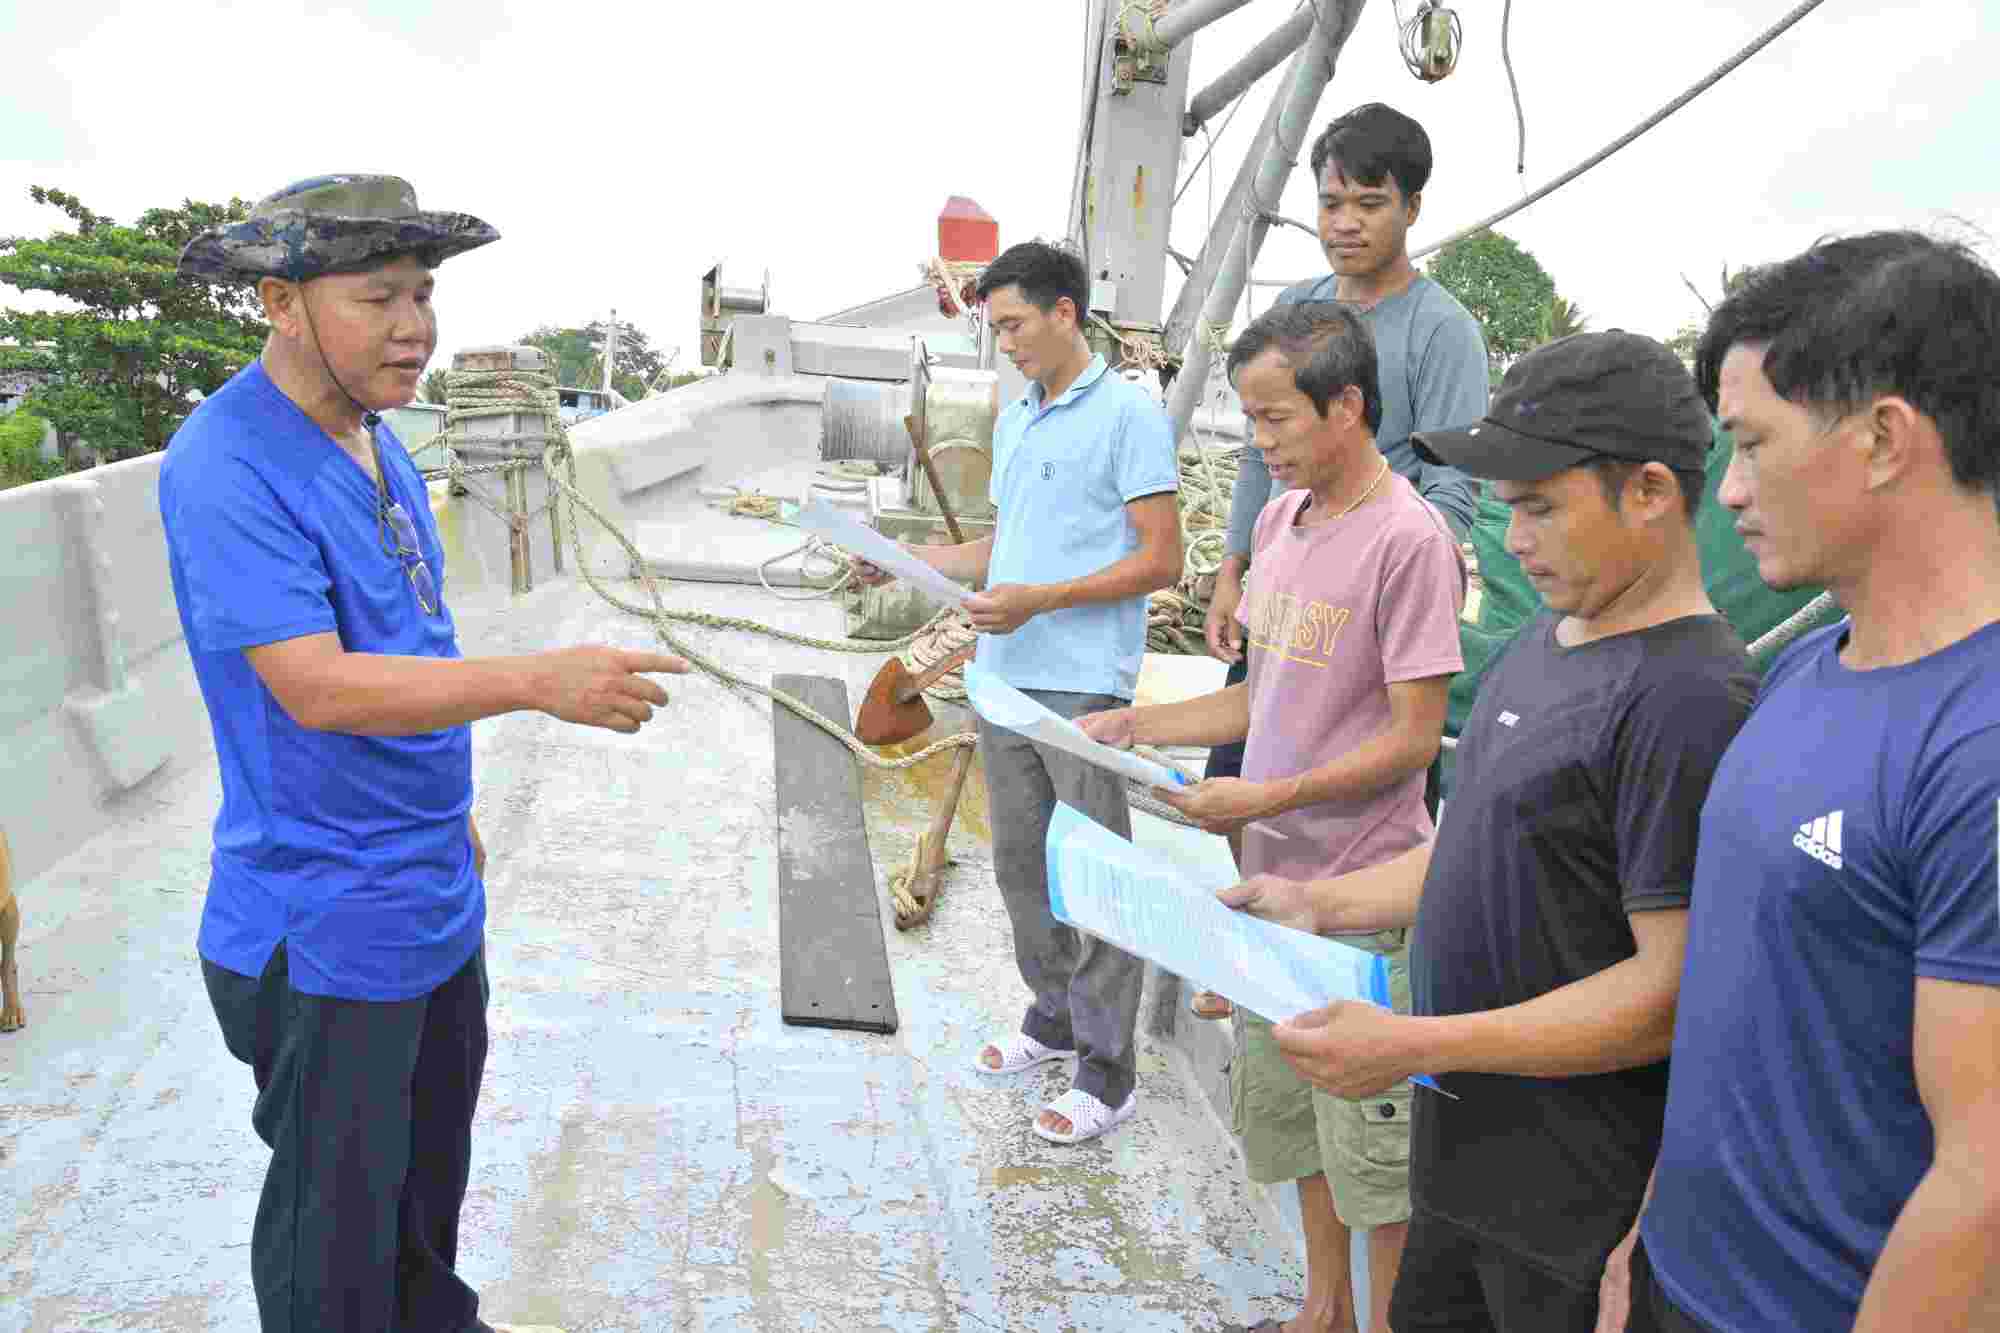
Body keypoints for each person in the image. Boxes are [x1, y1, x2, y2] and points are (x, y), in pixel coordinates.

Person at [164, 174, 686, 1333]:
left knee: (422, 1181)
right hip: (325, 918)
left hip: (429, 892)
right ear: (281, 305)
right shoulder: (227, 464)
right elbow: (314, 685)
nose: (415, 328)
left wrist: (452, 812)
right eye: (376, 299)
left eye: (424, 294)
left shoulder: (380, 438)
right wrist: (534, 684)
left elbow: (412, 633)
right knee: (329, 1241)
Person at [1223, 331, 1759, 1333]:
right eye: (1509, 509)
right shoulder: (1536, 647)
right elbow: (1461, 849)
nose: (1514, 542)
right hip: (1457, 1163)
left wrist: (1417, 1041)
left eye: (1542, 507)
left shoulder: (1688, 696)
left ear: (1648, 492)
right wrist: (1311, 902)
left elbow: (1662, 992)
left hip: (1567, 1208)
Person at [1606, 232, 2000, 1333]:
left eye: (1748, 443)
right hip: (1676, 1277)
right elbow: (1744, 1003)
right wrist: (1646, 1236)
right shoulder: (1797, 672)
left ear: (1882, 438)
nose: (1723, 491)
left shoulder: (1978, 748)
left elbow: (1983, 1188)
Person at [1080, 301, 1464, 1333]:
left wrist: (1268, 795)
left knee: (1372, 1161)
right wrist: (1136, 720)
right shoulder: (1275, 525)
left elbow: (1411, 737)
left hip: (1355, 898)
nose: (1260, 443)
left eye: (1275, 420)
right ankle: (1319, 1314)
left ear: (1346, 407)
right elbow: (1256, 698)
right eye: (1248, 421)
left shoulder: (1408, 541)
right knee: (1292, 1126)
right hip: (1263, 891)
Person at [852, 240, 1181, 1144]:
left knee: (1094, 877)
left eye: (1013, 325)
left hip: (1081, 688)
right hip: (1000, 680)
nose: (1004, 345)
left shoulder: (1128, 415)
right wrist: (903, 560)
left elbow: (1162, 558)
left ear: (1066, 313)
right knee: (1020, 866)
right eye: (994, 328)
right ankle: (1054, 1017)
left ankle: (1109, 1073)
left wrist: (1044, 600)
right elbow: (1004, 549)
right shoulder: (1017, 420)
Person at [1194, 101, 1488, 1021]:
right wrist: (1237, 563)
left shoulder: (1443, 332)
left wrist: (1395, 564)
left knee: (1372, 794)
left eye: (1369, 201)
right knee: (1236, 780)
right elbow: (1259, 455)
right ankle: (1258, 942)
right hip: (1289, 574)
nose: (1345, 222)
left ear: (1412, 209)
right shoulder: (1292, 314)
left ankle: (1345, 962)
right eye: (1330, 202)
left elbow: (1451, 481)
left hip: (1380, 596)